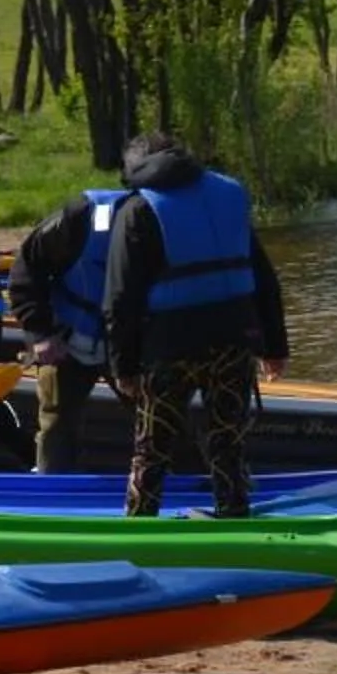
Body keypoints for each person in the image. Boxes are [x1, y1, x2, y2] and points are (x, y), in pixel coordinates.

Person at [101, 130, 288, 519]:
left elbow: (120, 299)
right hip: (235, 340)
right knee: (227, 440)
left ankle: (139, 526)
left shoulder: (138, 209)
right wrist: (274, 345)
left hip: (170, 347)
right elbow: (263, 275)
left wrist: (124, 367)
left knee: (152, 447)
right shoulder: (228, 194)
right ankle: (235, 514)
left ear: (134, 167)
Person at [10, 185, 130, 474]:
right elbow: (25, 270)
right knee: (56, 419)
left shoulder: (166, 226)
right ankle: (50, 490)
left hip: (128, 343)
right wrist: (39, 334)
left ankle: (179, 487)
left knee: (158, 416)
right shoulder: (78, 218)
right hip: (66, 336)